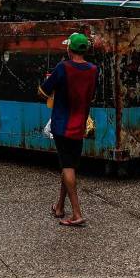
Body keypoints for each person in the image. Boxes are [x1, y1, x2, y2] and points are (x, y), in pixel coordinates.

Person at [40, 32, 98, 227]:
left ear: (69, 48)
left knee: (67, 166)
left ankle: (76, 212)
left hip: (62, 123)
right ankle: (59, 206)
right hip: (80, 122)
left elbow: (44, 91)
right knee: (69, 165)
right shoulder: (93, 70)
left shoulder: (62, 67)